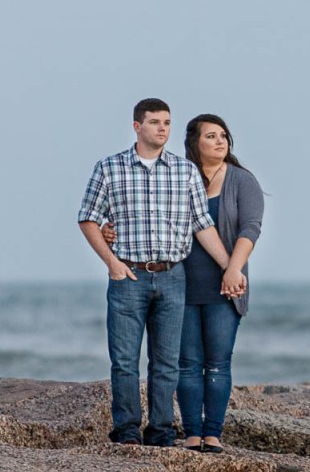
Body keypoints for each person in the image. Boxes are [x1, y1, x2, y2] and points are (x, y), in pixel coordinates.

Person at [78, 98, 243, 447]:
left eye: (167, 122)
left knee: (166, 361)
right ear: (137, 126)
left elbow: (203, 225)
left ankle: (162, 432)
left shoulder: (184, 172)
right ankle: (126, 431)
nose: (163, 128)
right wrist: (112, 263)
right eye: (155, 122)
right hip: (129, 277)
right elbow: (88, 217)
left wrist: (232, 267)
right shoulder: (110, 168)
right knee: (124, 361)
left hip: (172, 276)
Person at [178, 114, 264, 453]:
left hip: (226, 286)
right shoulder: (180, 178)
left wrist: (233, 269)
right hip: (181, 285)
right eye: (211, 136)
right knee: (187, 363)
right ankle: (191, 434)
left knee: (217, 361)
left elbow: (250, 229)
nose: (220, 141)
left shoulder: (242, 181)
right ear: (195, 143)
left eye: (223, 135)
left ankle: (212, 434)